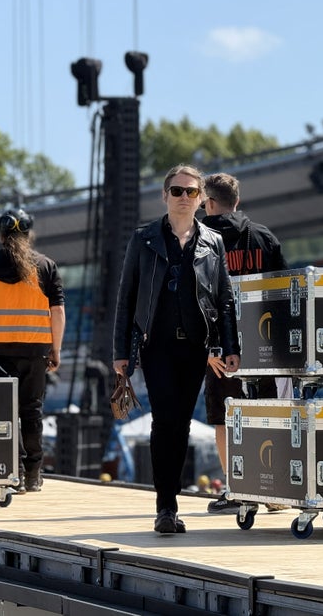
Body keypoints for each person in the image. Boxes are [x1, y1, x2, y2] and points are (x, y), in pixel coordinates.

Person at [112, 164, 240, 535]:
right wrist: (122, 352)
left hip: (196, 349)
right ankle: (165, 507)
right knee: (164, 421)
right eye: (177, 191)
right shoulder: (144, 239)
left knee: (181, 423)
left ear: (202, 199)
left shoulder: (213, 241)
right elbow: (127, 297)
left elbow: (224, 298)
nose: (183, 197)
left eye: (191, 191)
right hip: (156, 346)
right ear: (165, 195)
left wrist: (228, 345)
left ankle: (170, 504)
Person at [201, 172, 289, 513]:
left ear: (208, 202)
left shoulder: (199, 239)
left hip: (221, 347)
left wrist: (209, 349)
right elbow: (285, 293)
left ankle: (236, 489)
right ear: (236, 201)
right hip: (265, 344)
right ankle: (271, 493)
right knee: (267, 416)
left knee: (225, 419)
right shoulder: (263, 237)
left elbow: (198, 298)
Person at [0, 207, 66, 494]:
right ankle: (34, 475)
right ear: (29, 235)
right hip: (35, 351)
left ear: (0, 234)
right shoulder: (46, 266)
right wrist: (55, 349)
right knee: (32, 412)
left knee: (3, 415)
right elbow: (57, 311)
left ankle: (13, 473)